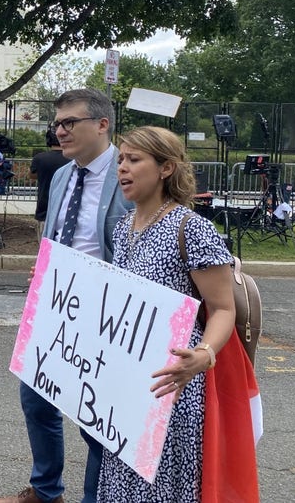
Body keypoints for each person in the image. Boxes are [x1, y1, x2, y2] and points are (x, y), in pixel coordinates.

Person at [99, 126, 258, 502]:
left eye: (134, 160)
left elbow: (222, 308)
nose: (122, 168)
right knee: (123, 480)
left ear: (166, 168)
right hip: (128, 376)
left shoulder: (193, 228)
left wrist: (202, 356)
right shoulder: (123, 228)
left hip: (173, 379)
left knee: (162, 485)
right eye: (120, 159)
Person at [0, 88, 131, 503]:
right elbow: (54, 234)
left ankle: (97, 496)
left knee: (97, 424)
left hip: (107, 314)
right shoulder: (61, 176)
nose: (60, 131)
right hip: (57, 306)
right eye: (57, 123)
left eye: (69, 122)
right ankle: (46, 489)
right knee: (35, 401)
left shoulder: (128, 174)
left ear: (102, 124)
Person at [30, 129, 70, 241]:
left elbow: (32, 176)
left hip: (44, 209)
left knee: (45, 248)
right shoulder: (72, 158)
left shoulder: (40, 158)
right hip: (66, 210)